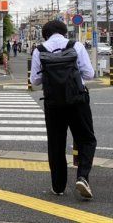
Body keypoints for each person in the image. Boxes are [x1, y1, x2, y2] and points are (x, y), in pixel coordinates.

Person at [30, 20, 96, 199]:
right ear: (64, 32)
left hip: (53, 103)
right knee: (86, 139)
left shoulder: (39, 50)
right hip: (78, 100)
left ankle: (58, 186)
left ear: (45, 34)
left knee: (56, 144)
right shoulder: (77, 46)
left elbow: (35, 81)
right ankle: (83, 177)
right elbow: (89, 74)